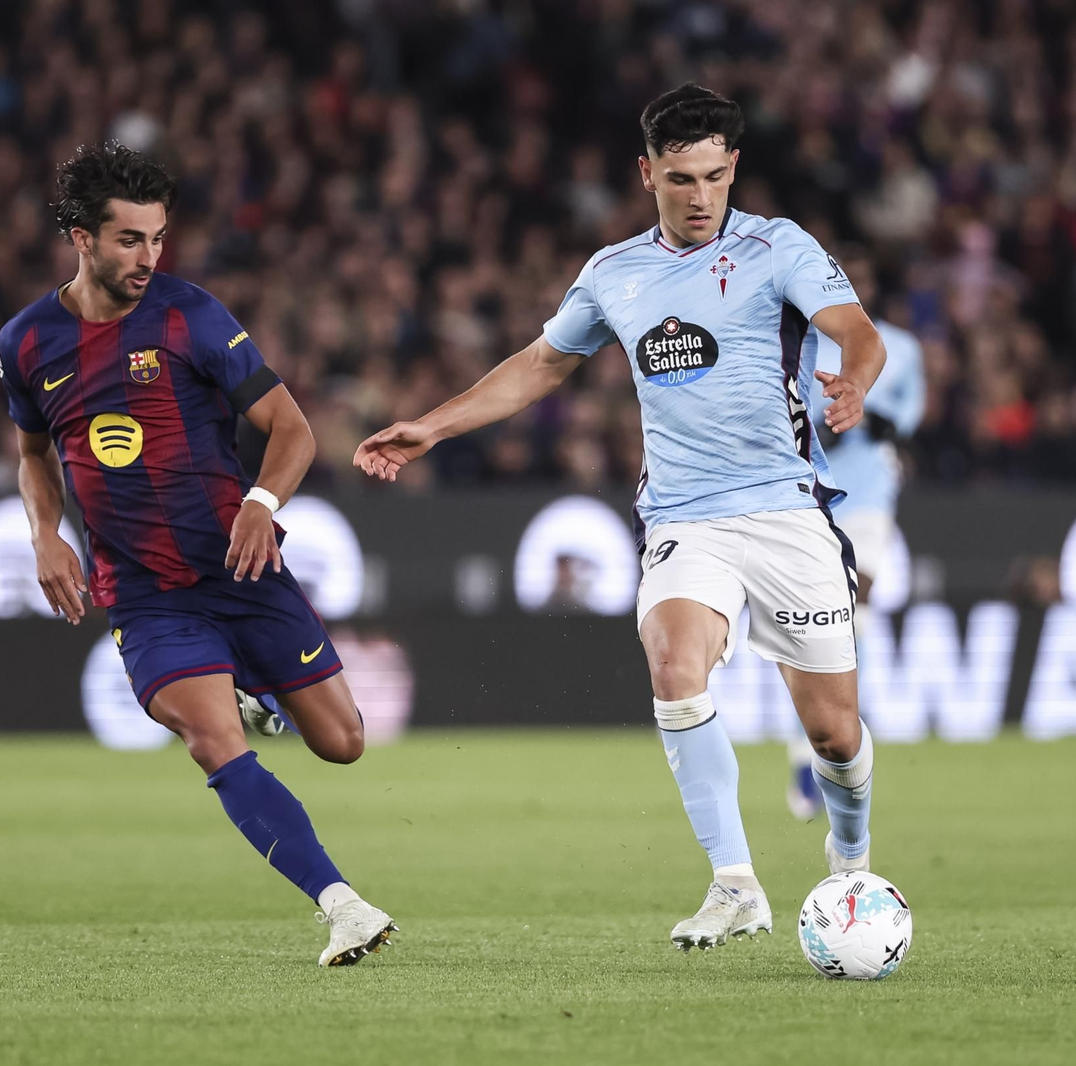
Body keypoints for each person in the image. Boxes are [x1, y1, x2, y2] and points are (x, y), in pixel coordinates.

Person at [355, 85, 886, 950]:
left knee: (833, 730)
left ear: (734, 169)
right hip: (684, 517)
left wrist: (854, 379)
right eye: (682, 179)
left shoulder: (777, 247)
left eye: (716, 176)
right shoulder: (614, 274)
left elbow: (855, 329)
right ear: (647, 175)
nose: (702, 195)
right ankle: (735, 882)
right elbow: (538, 366)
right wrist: (432, 426)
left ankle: (852, 856)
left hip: (787, 512)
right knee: (675, 666)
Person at [0, 142, 394, 967]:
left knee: (343, 742)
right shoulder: (27, 343)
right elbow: (35, 454)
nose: (149, 257)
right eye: (129, 240)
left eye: (158, 238)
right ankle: (342, 905)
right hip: (145, 596)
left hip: (242, 569)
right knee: (213, 741)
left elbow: (293, 428)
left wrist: (261, 502)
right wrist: (44, 534)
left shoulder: (190, 316)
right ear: (81, 237)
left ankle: (255, 690)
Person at [787, 248, 924, 819]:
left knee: (856, 602)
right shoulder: (806, 340)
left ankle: (843, 739)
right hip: (814, 491)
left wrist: (870, 410)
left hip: (871, 494)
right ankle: (809, 750)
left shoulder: (902, 348)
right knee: (813, 620)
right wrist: (827, 424)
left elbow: (911, 416)